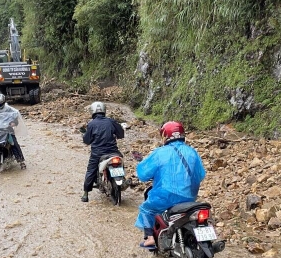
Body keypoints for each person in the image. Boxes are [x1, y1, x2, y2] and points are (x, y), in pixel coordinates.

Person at [134, 121, 205, 249]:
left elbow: (143, 175)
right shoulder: (192, 152)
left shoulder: (160, 152)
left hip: (165, 198)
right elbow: (201, 175)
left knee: (146, 209)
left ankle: (150, 239)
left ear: (165, 136)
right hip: (190, 197)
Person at [80, 102, 124, 202]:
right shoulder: (111, 121)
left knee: (91, 170)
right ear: (104, 110)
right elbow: (121, 134)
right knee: (121, 161)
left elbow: (86, 141)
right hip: (113, 152)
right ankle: (123, 179)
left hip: (98, 153)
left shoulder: (91, 124)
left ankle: (85, 194)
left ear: (93, 111)